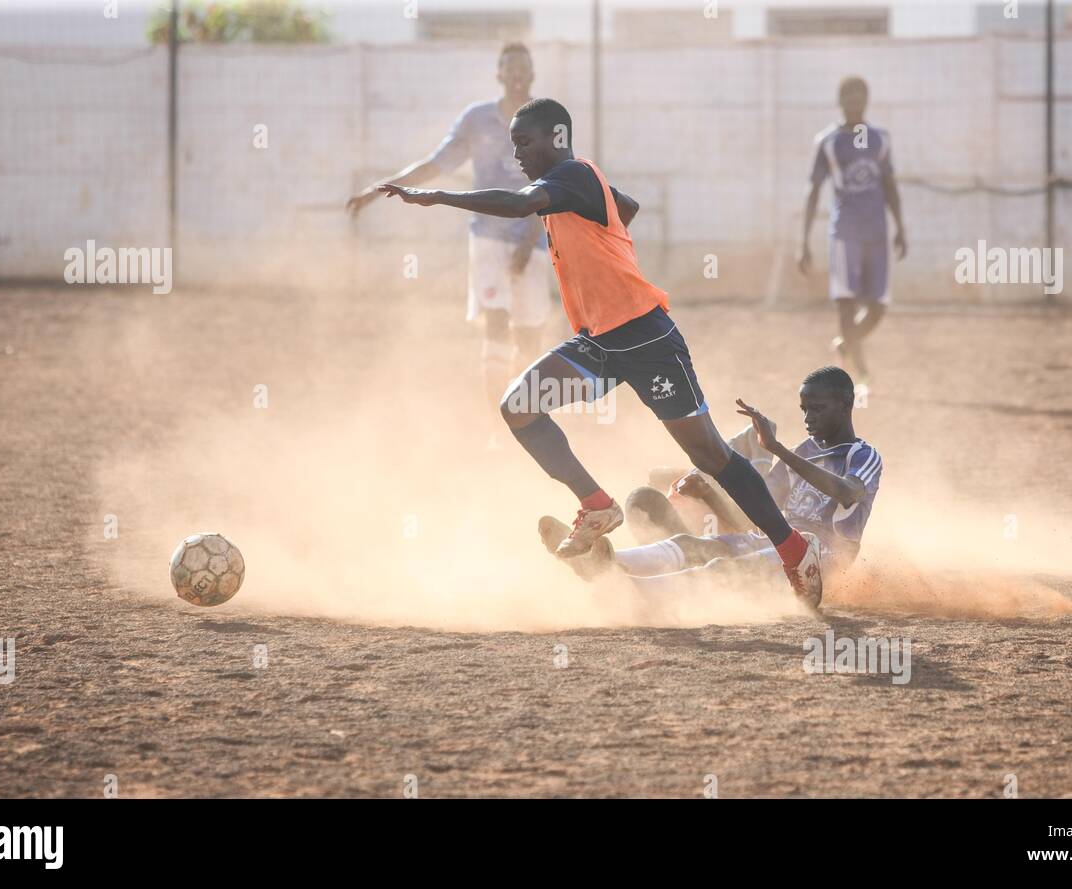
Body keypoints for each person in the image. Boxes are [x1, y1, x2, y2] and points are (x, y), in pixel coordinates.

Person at [375, 98, 822, 603]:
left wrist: (438, 196)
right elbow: (624, 208)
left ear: (557, 138)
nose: (517, 153)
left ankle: (792, 550)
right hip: (599, 342)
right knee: (519, 406)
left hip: (648, 338)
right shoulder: (576, 187)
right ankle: (596, 504)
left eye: (525, 142)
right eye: (514, 143)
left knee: (711, 455)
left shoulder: (572, 176)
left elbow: (521, 204)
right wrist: (606, 229)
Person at [541, 367, 881, 608]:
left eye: (818, 409)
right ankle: (601, 565)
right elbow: (755, 512)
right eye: (805, 409)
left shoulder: (861, 454)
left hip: (823, 558)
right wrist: (709, 492)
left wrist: (776, 450)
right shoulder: (803, 452)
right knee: (691, 544)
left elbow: (847, 493)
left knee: (726, 568)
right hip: (780, 541)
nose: (808, 418)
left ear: (846, 405)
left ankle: (636, 592)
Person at [346, 43, 549, 410]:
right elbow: (436, 163)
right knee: (497, 323)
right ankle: (497, 424)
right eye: (510, 68)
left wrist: (530, 239)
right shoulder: (477, 119)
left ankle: (528, 420)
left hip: (532, 241)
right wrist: (378, 190)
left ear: (533, 75)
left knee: (530, 338)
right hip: (487, 237)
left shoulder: (546, 120)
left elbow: (554, 184)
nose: (517, 74)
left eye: (524, 68)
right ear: (499, 75)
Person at [798, 76, 907, 391]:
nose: (854, 101)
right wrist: (803, 241)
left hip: (877, 232)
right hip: (845, 234)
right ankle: (860, 374)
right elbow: (813, 191)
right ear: (840, 100)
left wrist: (900, 227)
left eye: (860, 95)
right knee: (846, 304)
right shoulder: (828, 142)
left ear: (867, 99)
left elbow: (889, 185)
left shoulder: (881, 139)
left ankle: (846, 345)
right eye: (848, 96)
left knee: (878, 308)